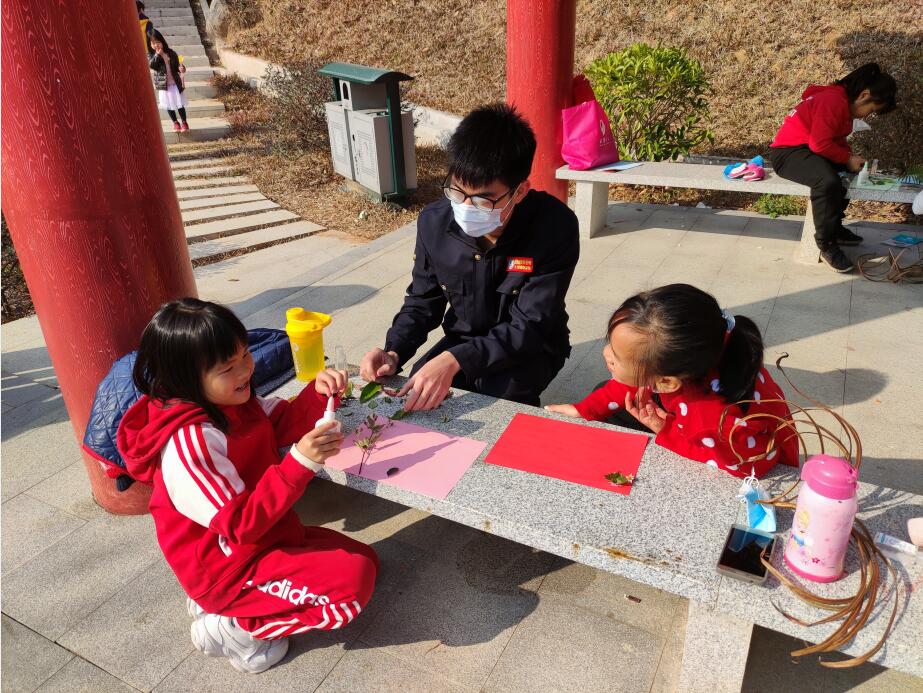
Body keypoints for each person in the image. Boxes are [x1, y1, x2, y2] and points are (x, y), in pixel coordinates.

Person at [116, 298, 378, 673]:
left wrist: (318, 394)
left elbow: (281, 421)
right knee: (351, 588)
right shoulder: (190, 442)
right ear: (186, 379)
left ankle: (232, 606)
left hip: (263, 540)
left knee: (365, 559)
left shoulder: (234, 400)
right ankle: (236, 629)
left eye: (245, 355)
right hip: (226, 568)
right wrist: (300, 461)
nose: (245, 370)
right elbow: (239, 524)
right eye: (228, 367)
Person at [360, 103, 580, 410]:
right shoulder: (434, 223)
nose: (465, 207)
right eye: (457, 191)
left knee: (503, 400)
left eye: (482, 200)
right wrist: (394, 351)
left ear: (519, 191)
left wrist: (454, 360)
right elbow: (423, 301)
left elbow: (531, 325)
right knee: (418, 388)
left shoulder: (554, 227)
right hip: (464, 339)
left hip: (532, 345)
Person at [545, 284, 799, 478]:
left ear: (666, 383)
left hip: (742, 456)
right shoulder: (702, 349)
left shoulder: (708, 420)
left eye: (617, 358)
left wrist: (667, 431)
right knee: (604, 391)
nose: (606, 354)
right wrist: (584, 410)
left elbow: (745, 467)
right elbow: (631, 379)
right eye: (610, 344)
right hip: (705, 419)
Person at [769, 63, 897, 273]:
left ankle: (835, 226)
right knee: (827, 181)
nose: (867, 116)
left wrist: (850, 158)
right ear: (864, 95)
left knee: (847, 173)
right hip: (788, 153)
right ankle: (826, 244)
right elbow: (820, 144)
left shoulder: (842, 103)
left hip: (807, 150)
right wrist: (847, 158)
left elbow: (834, 140)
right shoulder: (833, 100)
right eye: (872, 110)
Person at [149, 31, 189, 132]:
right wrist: (158, 55)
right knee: (169, 105)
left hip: (175, 83)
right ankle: (175, 123)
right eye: (153, 43)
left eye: (158, 42)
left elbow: (177, 66)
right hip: (164, 85)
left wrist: (182, 68)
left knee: (180, 104)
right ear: (150, 45)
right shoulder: (152, 55)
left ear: (162, 42)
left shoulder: (171, 53)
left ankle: (184, 122)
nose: (156, 45)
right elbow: (152, 65)